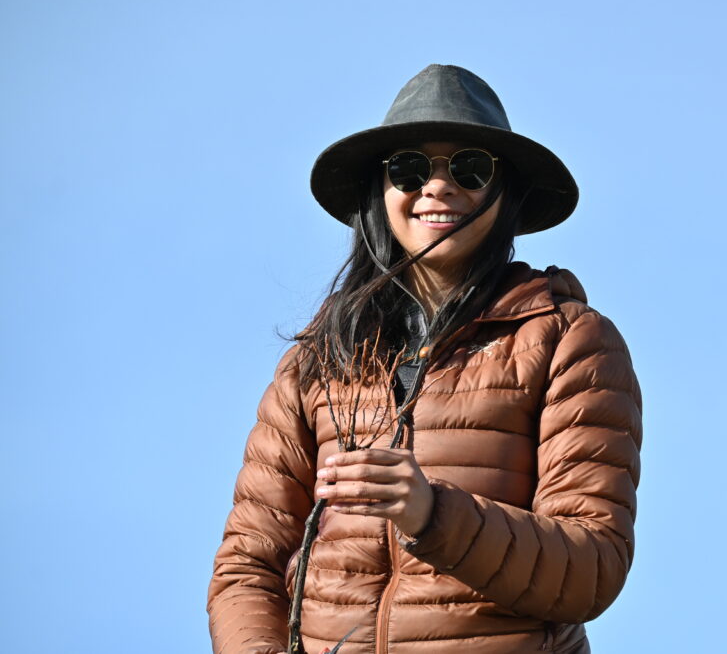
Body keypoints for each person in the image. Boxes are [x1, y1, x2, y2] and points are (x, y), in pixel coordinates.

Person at [207, 64, 642, 654]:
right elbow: (246, 567)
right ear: (379, 193)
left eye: (470, 167)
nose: (436, 187)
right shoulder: (316, 360)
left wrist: (432, 512)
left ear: (506, 193)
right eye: (409, 168)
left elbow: (591, 567)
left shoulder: (572, 342)